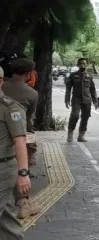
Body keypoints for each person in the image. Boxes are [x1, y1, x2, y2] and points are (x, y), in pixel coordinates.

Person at [1, 59, 40, 219]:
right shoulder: (32, 93)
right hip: (19, 135)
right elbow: (30, 118)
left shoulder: (5, 87)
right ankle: (24, 203)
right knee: (22, 167)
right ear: (29, 73)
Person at [0, 66, 30, 239]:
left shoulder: (11, 108)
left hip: (4, 169)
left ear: (1, 81)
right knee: (6, 219)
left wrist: (23, 173)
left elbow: (20, 142)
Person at [65, 58, 98, 143]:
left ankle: (81, 136)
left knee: (85, 117)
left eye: (84, 63)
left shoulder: (89, 75)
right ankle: (70, 134)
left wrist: (95, 101)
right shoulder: (73, 75)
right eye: (81, 63)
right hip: (76, 99)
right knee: (75, 116)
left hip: (87, 100)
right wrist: (67, 100)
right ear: (78, 65)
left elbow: (92, 89)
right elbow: (68, 88)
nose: (82, 65)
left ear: (87, 64)